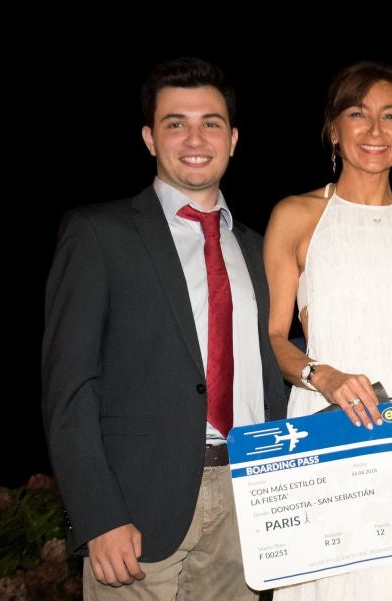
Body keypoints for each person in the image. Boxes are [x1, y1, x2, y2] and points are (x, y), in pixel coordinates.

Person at [41, 57, 286, 600]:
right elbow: (69, 388)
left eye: (211, 123)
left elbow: (275, 371)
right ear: (150, 138)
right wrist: (97, 514)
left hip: (249, 507)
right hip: (136, 512)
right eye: (176, 123)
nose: (195, 138)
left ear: (233, 139)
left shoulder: (259, 248)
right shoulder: (97, 233)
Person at [263, 61, 392, 600]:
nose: (375, 130)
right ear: (333, 130)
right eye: (358, 114)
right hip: (331, 424)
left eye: (390, 116)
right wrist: (322, 375)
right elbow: (274, 339)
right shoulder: (296, 215)